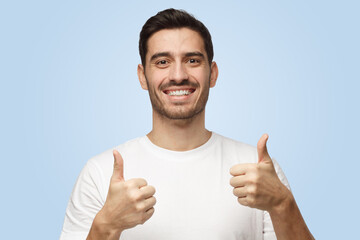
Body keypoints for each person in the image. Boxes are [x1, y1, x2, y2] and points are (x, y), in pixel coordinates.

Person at [60, 8, 314, 240]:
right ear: (142, 76)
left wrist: (283, 204)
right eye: (162, 62)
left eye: (192, 60)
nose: (179, 75)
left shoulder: (259, 172)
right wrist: (106, 226)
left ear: (212, 73)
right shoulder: (99, 173)